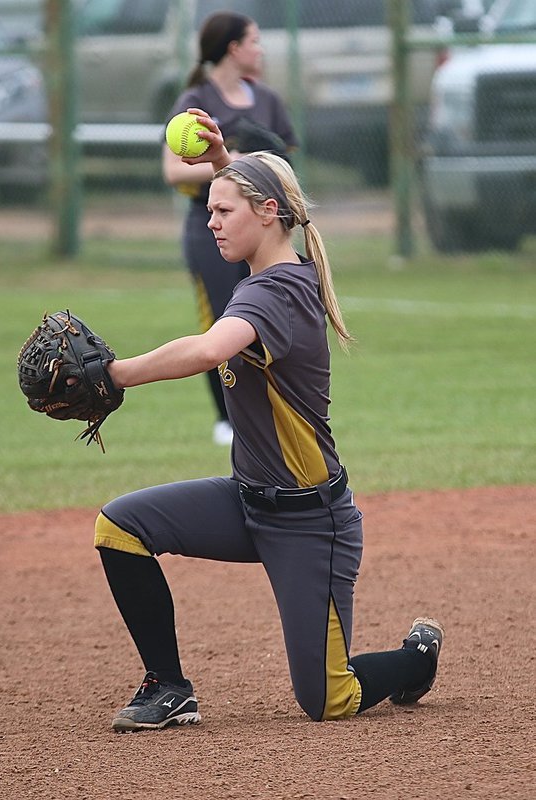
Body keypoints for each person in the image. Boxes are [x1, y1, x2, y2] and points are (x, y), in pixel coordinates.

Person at [96, 110, 444, 732]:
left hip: (313, 523)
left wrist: (117, 373)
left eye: (222, 211)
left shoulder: (276, 293)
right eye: (209, 208)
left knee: (328, 699)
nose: (210, 221)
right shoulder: (264, 270)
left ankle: (415, 661)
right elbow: (258, 207)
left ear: (266, 215)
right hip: (248, 503)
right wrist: (226, 165)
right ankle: (169, 687)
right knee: (119, 526)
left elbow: (206, 352)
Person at [162, 11, 298, 446]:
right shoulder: (196, 101)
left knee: (272, 317)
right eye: (254, 41)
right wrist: (234, 160)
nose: (260, 49)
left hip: (264, 228)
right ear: (234, 48)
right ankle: (227, 417)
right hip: (211, 227)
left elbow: (286, 165)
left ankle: (271, 408)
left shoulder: (269, 102)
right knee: (221, 320)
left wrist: (253, 163)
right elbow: (172, 171)